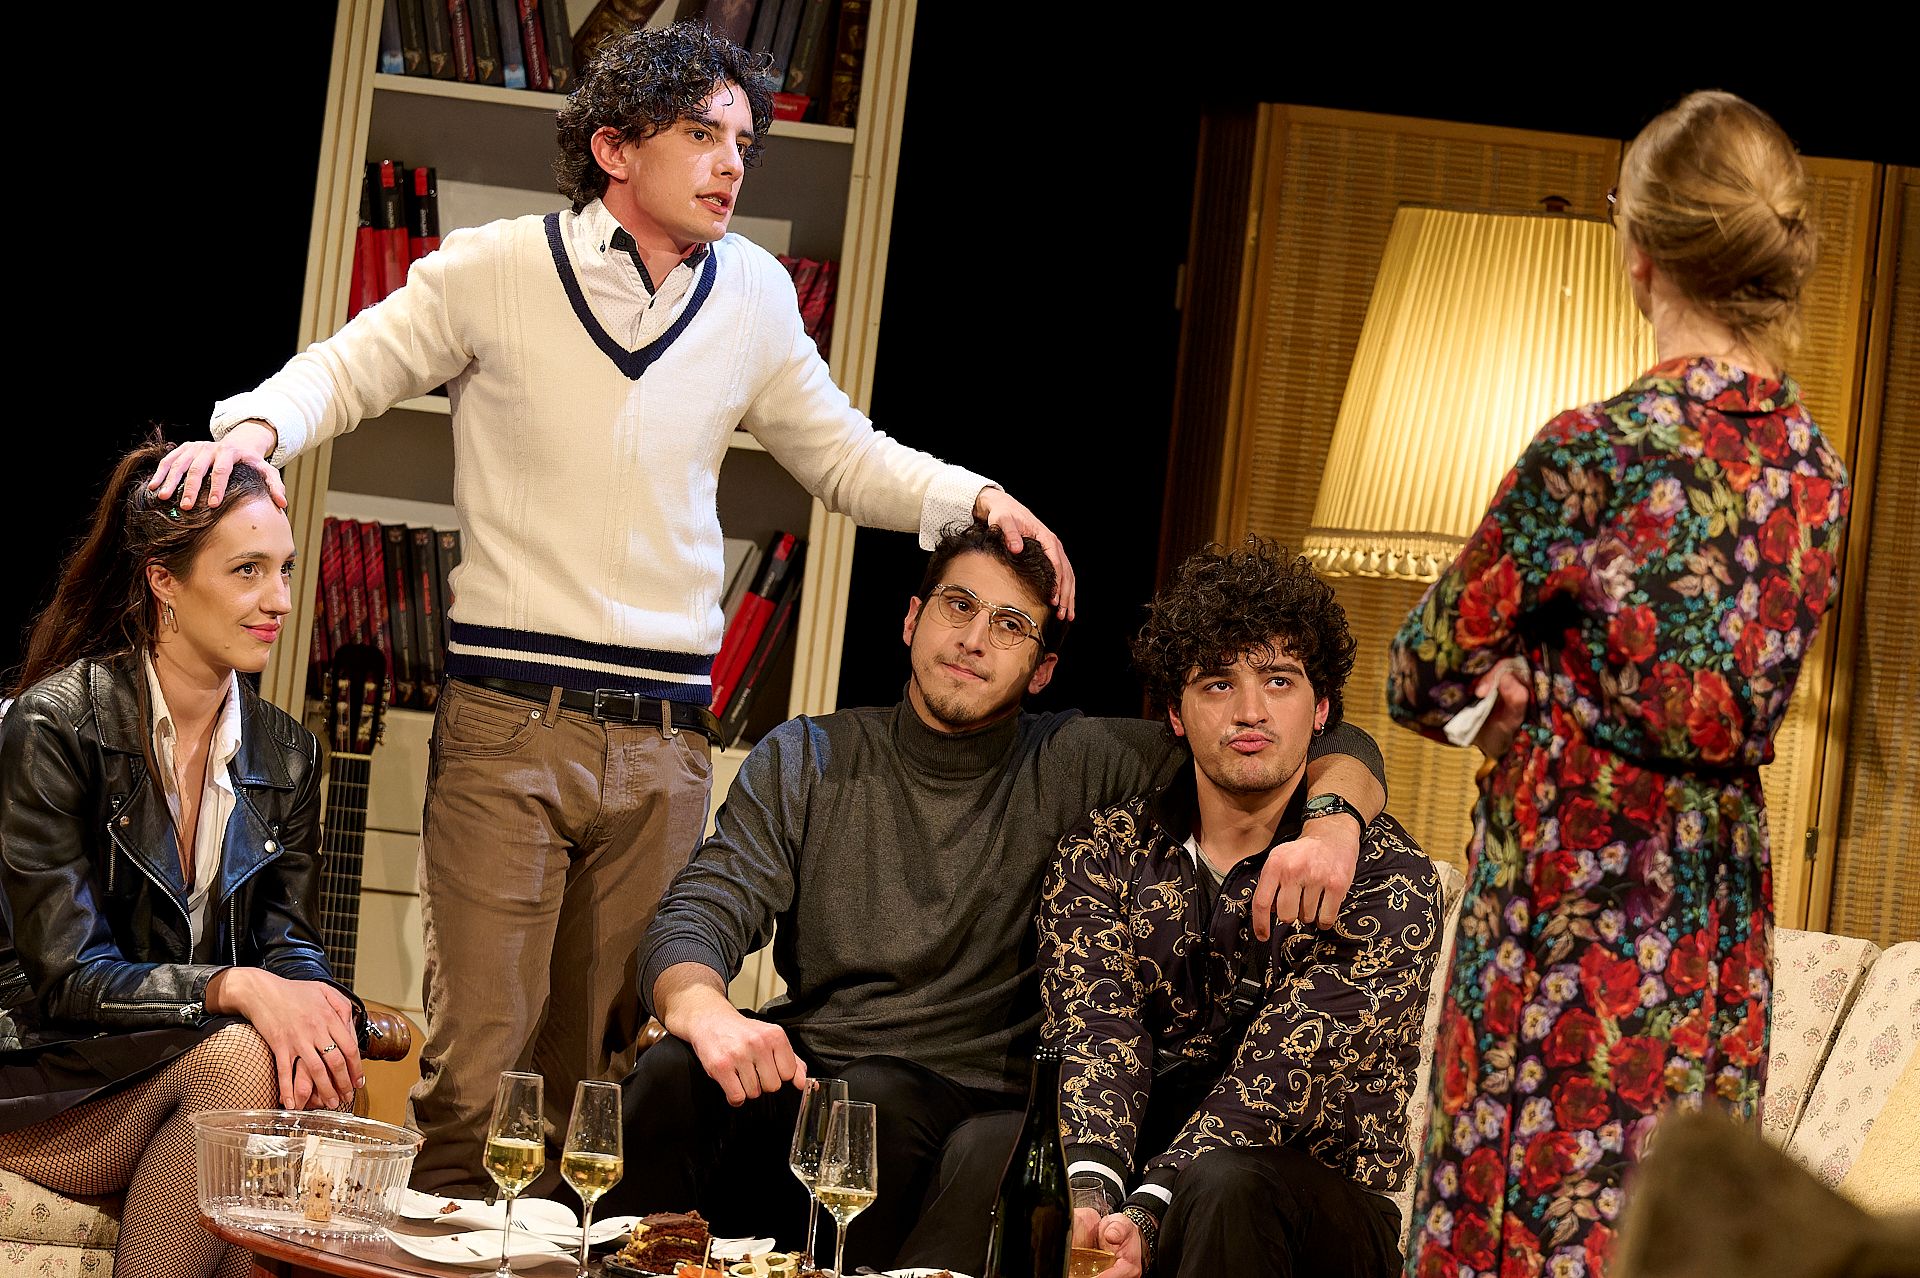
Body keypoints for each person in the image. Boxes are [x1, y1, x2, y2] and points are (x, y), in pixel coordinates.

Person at [144, 23, 1074, 1194]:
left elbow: (842, 455)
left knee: (601, 1089)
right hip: (509, 724)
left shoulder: (753, 294)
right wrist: (249, 432)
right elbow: (347, 367)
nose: (732, 164)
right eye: (703, 135)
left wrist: (974, 497)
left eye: (745, 142)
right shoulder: (495, 268)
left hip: (666, 747)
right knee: (478, 1078)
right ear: (615, 148)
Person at [605, 518, 1392, 1271]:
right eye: (959, 606)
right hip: (811, 1074)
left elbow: (1303, 737)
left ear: (1042, 669)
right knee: (673, 1072)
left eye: (1012, 625)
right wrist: (703, 1008)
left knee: (877, 1100)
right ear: (912, 619)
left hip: (971, 1099)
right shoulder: (806, 756)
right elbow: (702, 908)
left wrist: (1333, 821)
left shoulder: (1080, 760)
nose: (975, 639)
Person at [1386, 90, 1851, 1278]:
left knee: (1526, 1228)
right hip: (1711, 909)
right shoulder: (1818, 477)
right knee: (1671, 1229)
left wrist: (1505, 701)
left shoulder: (1594, 451)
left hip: (1573, 889)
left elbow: (1422, 668)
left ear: (1641, 252)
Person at [0, 438, 365, 1277]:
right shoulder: (55, 726)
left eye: (284, 569)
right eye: (247, 571)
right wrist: (233, 988)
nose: (278, 600)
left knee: (287, 1083)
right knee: (242, 1065)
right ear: (163, 580)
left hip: (182, 1073)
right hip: (46, 1074)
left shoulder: (289, 755)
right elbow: (67, 976)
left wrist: (317, 1012)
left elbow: (290, 942)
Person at [1039, 539, 1441, 1278]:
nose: (1250, 711)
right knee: (1014, 1166)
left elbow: (1280, 1077)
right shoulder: (1105, 850)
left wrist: (1150, 1213)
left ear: (1322, 711)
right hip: (1147, 1178)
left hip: (1316, 1209)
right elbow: (1098, 1029)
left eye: (1279, 681)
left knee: (1227, 1186)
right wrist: (1094, 1203)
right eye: (1218, 683)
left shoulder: (1385, 875)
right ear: (1175, 713)